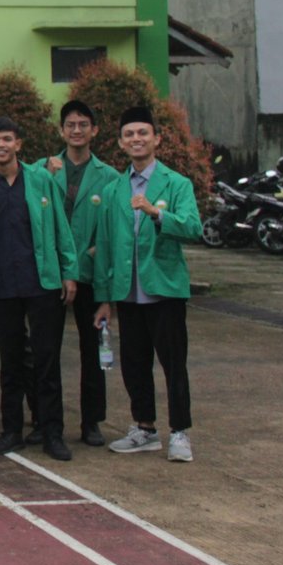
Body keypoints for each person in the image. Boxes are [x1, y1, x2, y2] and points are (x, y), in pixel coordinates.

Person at [0, 117, 78, 462]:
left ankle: (51, 431)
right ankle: (11, 431)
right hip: (0, 285)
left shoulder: (41, 179)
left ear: (18, 144)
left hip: (42, 281)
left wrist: (69, 271)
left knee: (47, 360)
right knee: (11, 361)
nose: (1, 145)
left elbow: (60, 227)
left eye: (7, 139)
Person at [93, 106, 203, 463]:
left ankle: (180, 432)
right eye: (129, 134)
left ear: (156, 139)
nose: (136, 139)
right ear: (121, 143)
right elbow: (105, 245)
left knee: (173, 364)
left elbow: (193, 227)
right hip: (127, 291)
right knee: (134, 363)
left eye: (143, 133)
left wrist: (157, 214)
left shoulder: (176, 183)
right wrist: (105, 298)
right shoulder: (114, 189)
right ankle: (145, 428)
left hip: (164, 289)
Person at [45, 100, 120, 447]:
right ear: (61, 130)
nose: (77, 130)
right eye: (70, 125)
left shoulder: (110, 177)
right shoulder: (44, 170)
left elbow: (114, 230)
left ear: (94, 130)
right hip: (52, 274)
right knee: (47, 351)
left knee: (93, 352)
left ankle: (92, 421)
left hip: (91, 274)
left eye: (83, 124)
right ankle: (46, 421)